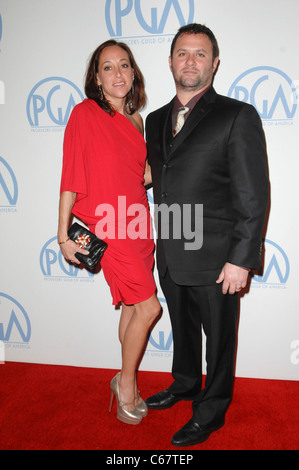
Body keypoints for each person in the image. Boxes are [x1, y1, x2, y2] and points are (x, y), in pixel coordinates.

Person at [145, 24, 269, 446]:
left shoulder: (237, 114)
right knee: (182, 328)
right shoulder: (156, 120)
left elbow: (253, 193)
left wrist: (242, 257)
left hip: (219, 258)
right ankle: (184, 383)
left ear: (214, 63)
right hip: (171, 250)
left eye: (200, 54)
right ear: (170, 61)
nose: (190, 61)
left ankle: (212, 409)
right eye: (182, 53)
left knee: (218, 339)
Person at [58, 40, 161, 426]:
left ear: (133, 73)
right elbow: (71, 174)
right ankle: (127, 384)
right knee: (150, 307)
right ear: (96, 78)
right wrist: (62, 233)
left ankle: (123, 375)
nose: (117, 74)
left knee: (135, 307)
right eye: (107, 67)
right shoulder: (84, 114)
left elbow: (142, 175)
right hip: (108, 226)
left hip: (137, 223)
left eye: (124, 65)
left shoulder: (137, 121)